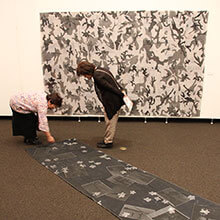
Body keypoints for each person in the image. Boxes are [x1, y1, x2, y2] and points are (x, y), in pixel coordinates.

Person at [76, 60, 127, 148]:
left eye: (84, 75)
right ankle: (107, 139)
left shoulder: (97, 76)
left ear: (87, 72)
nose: (85, 77)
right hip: (113, 99)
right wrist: (122, 92)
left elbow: (110, 87)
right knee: (110, 121)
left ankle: (108, 142)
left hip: (112, 101)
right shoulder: (101, 70)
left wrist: (122, 95)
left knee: (110, 121)